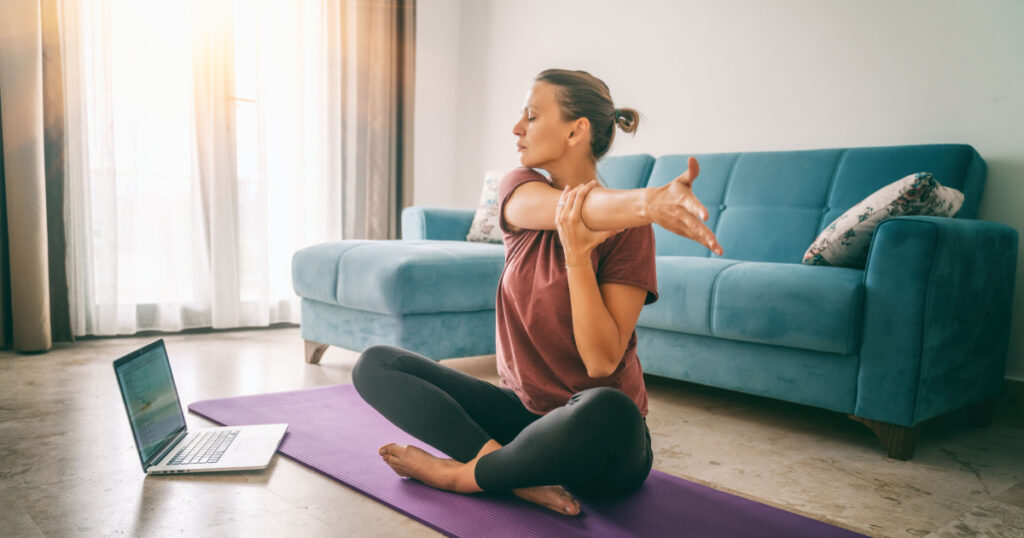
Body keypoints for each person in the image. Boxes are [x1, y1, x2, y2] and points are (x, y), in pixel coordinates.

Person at [351, 68, 723, 517]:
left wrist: (579, 258)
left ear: (575, 130)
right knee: (376, 364)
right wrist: (647, 202)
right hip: (522, 417)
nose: (516, 128)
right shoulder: (520, 187)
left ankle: (463, 476)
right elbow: (575, 208)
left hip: (597, 441)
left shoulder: (630, 234)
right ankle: (507, 470)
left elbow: (602, 361)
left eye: (531, 115)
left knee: (608, 407)